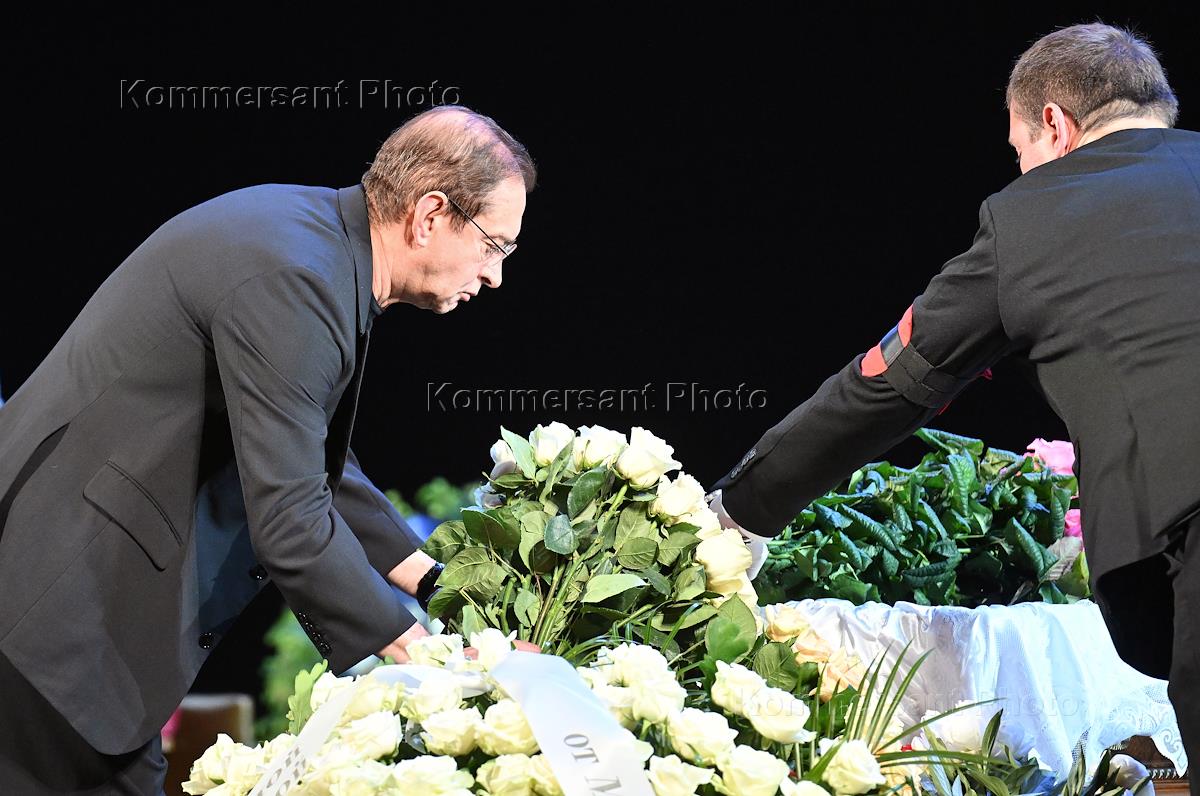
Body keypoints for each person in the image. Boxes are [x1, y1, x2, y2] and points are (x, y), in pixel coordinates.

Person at [708, 22, 1199, 783]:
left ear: (1054, 125)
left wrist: (738, 513)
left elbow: (884, 388)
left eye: (1019, 150)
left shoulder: (1035, 216)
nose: (1024, 170)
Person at [0, 104, 534, 793]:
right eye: (495, 246)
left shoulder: (312, 245)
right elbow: (290, 520)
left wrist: (440, 586)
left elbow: (316, 464)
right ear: (430, 214)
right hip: (52, 611)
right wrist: (441, 666)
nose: (495, 276)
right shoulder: (297, 277)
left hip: (61, 613)